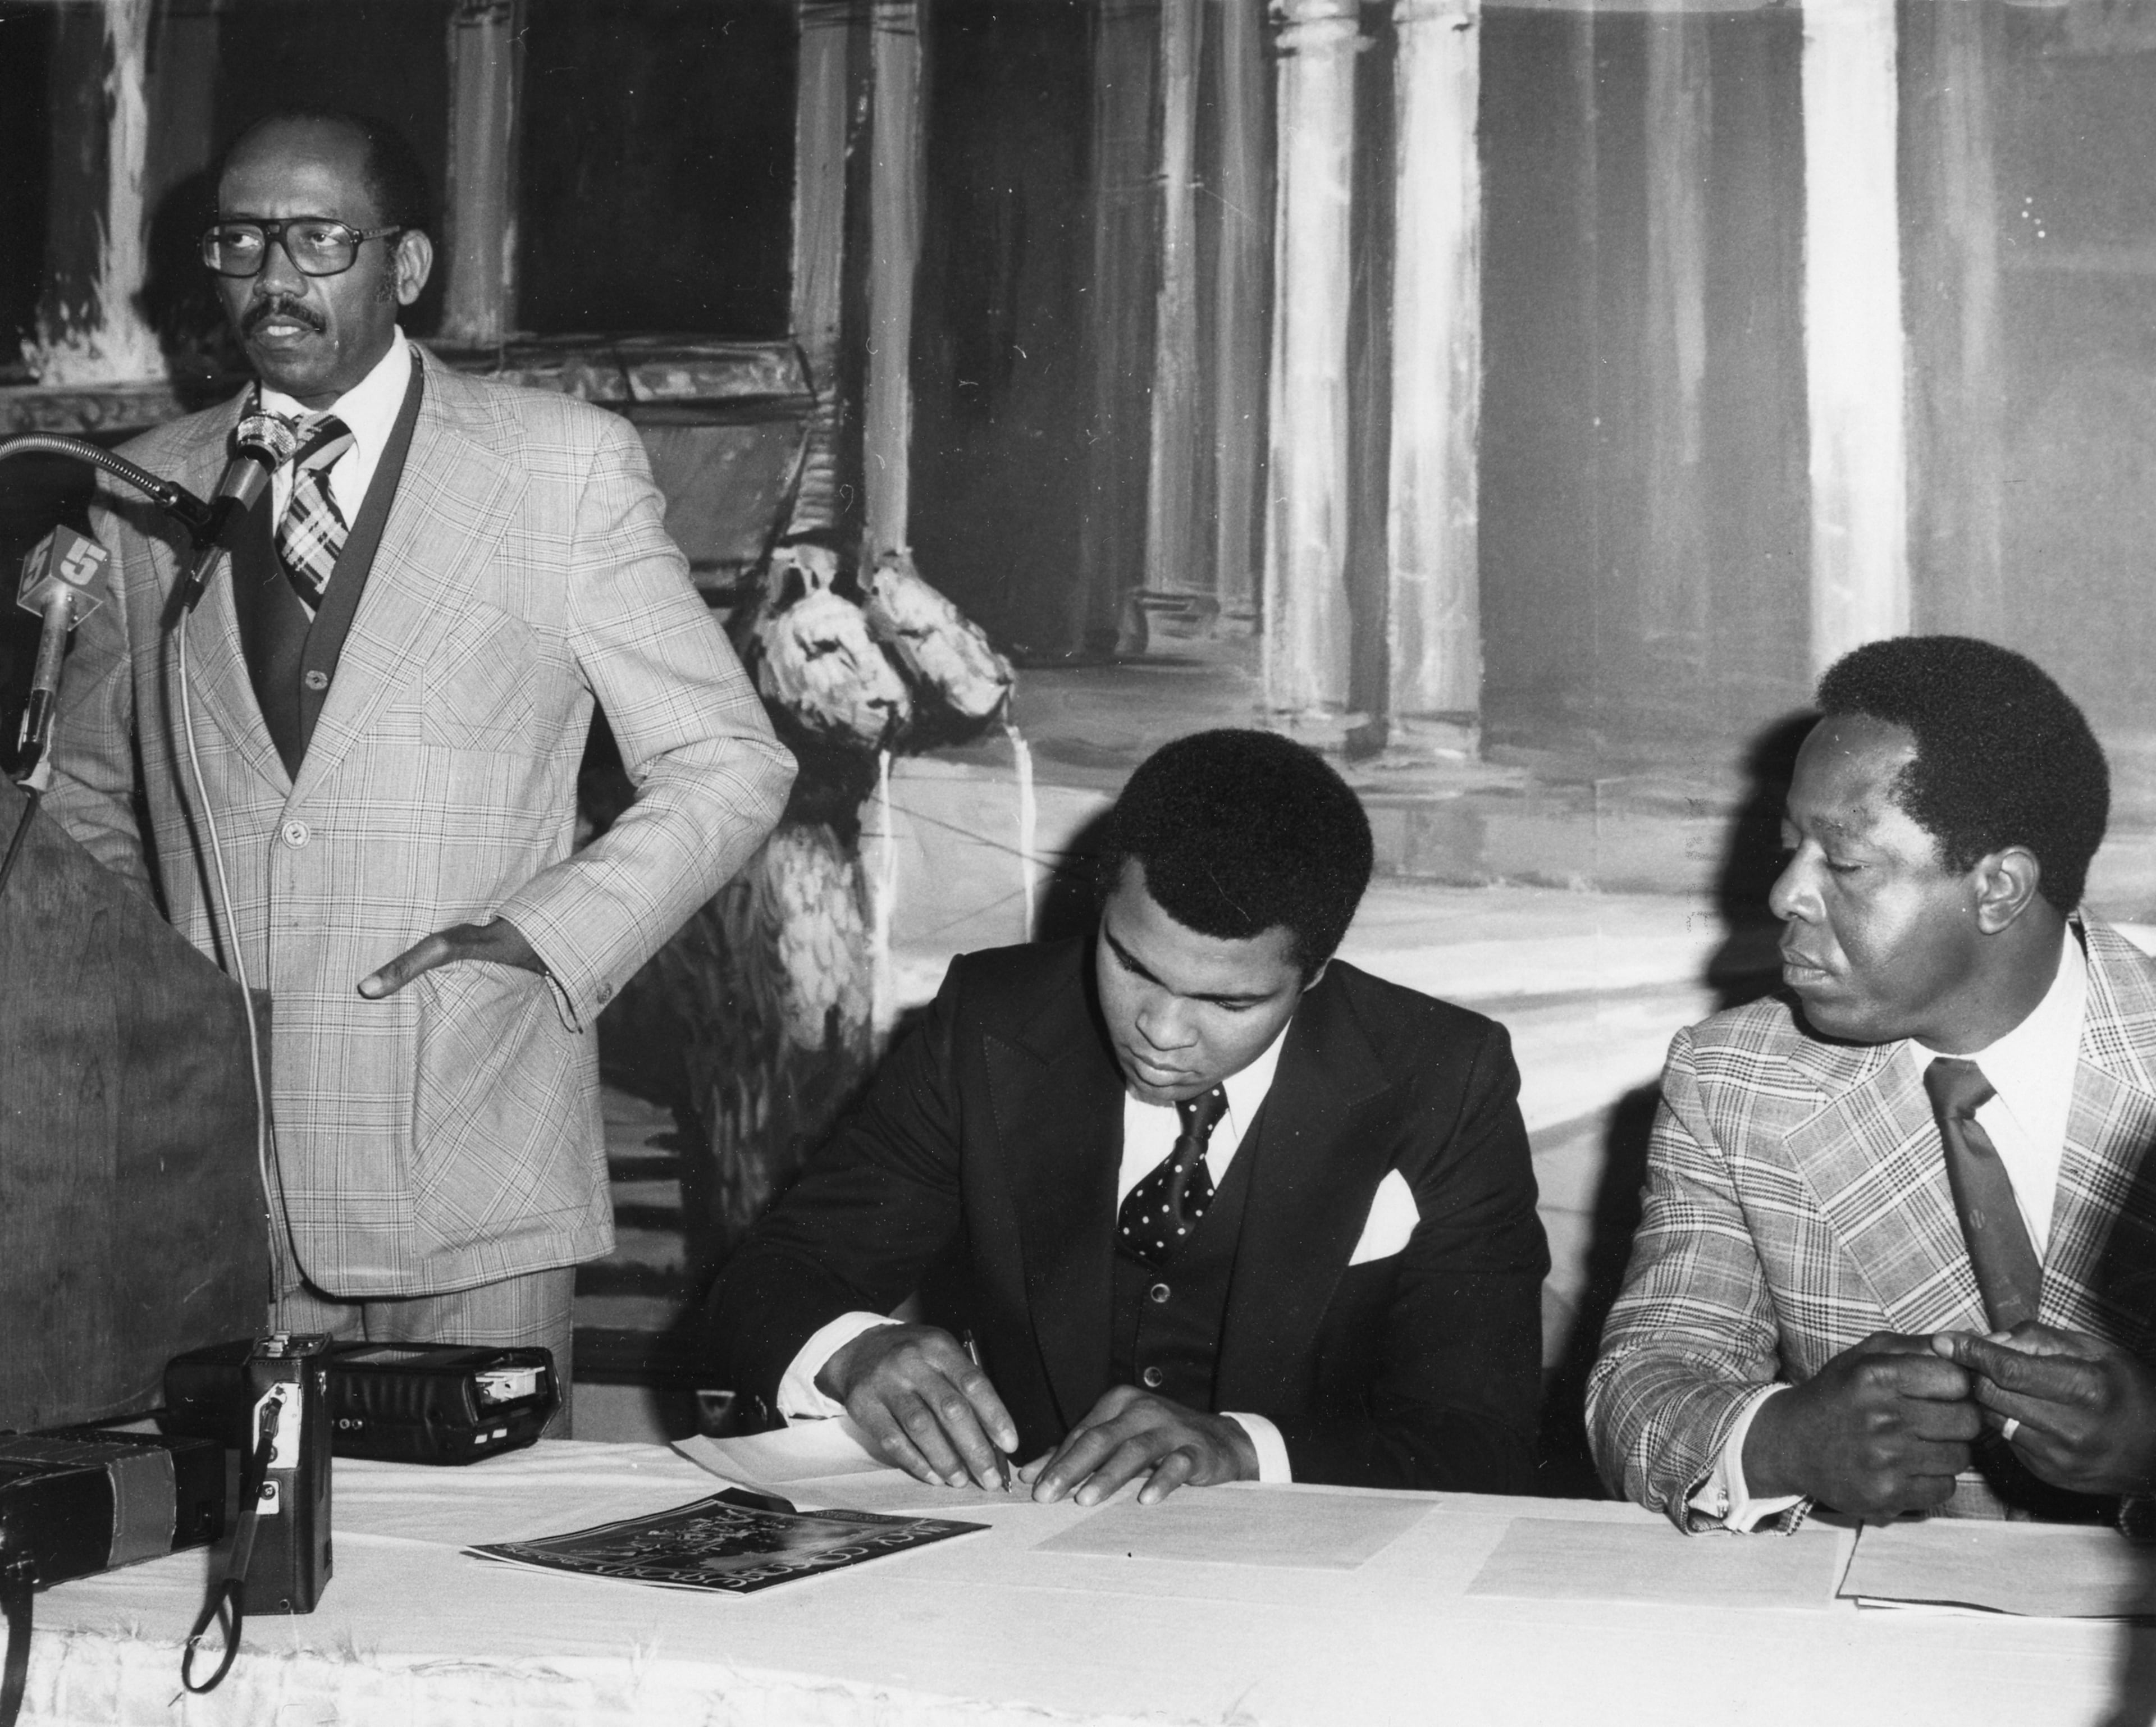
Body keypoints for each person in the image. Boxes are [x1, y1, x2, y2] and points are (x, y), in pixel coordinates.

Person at [45, 110, 794, 1418]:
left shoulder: (558, 469)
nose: (274, 276)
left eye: (319, 239)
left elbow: (728, 760)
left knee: (473, 1581)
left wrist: (540, 934)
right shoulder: (141, 491)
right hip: (215, 1189)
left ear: (405, 266)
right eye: (241, 239)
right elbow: (93, 795)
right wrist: (153, 1006)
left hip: (472, 1158)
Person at [706, 728, 1547, 1503]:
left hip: (1308, 1597)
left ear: (1317, 973)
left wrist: (1244, 1448)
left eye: (1230, 1000)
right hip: (1016, 1567)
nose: (1162, 1031)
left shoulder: (1445, 1078)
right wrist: (854, 1349)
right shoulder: (990, 1021)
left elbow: (1483, 1440)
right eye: (1132, 965)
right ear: (1102, 905)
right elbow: (768, 1282)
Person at [1589, 635, 2156, 1531]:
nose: (1784, 896)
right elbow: (1640, 1384)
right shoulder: (1733, 1081)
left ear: (2000, 888)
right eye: (1789, 849)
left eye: (1843, 864)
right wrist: (1781, 1438)